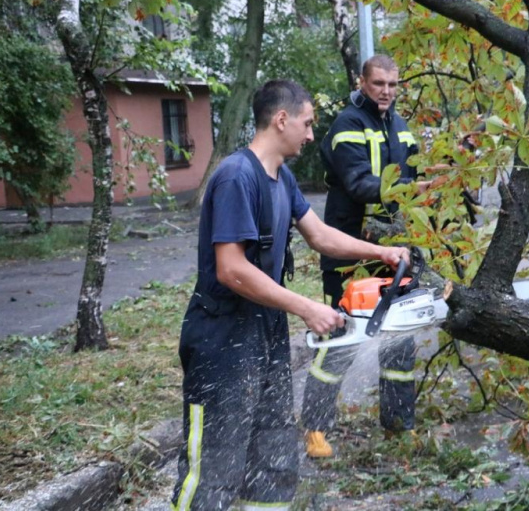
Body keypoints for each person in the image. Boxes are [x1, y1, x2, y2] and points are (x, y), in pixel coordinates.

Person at [170, 79, 410, 511]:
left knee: (274, 452)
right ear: (281, 119)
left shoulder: (282, 178)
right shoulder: (236, 177)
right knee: (214, 467)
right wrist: (306, 307)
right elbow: (232, 269)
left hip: (264, 328)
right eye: (307, 122)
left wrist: (382, 251)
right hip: (223, 337)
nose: (312, 133)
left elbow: (318, 234)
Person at [301, 55, 429, 459]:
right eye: (378, 83)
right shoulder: (347, 125)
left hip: (394, 249)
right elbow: (359, 184)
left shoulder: (401, 127)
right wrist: (415, 186)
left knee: (400, 340)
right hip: (349, 247)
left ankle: (398, 424)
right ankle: (316, 429)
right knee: (338, 337)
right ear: (362, 82)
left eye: (393, 84)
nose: (387, 91)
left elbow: (418, 168)